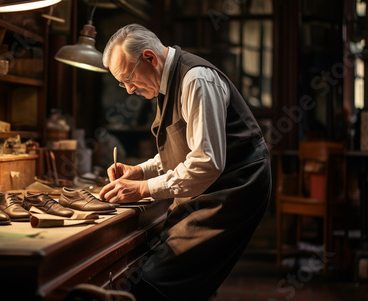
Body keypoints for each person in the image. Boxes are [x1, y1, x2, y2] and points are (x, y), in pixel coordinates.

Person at [98, 24, 272, 301]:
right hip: (213, 183)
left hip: (236, 186)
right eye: (123, 83)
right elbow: (184, 148)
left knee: (159, 279)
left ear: (149, 58)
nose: (129, 90)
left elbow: (206, 163)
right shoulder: (164, 83)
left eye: (129, 78)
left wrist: (143, 189)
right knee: (187, 277)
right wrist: (140, 171)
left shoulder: (196, 80)